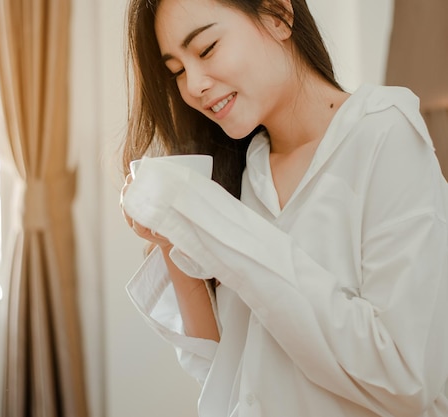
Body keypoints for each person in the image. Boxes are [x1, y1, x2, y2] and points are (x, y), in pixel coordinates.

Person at [118, 0, 448, 416]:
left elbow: (406, 377)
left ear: (278, 15)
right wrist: (173, 237)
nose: (194, 85)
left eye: (206, 49)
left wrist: (211, 221)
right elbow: (226, 371)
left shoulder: (383, 134)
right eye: (178, 72)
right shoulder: (244, 172)